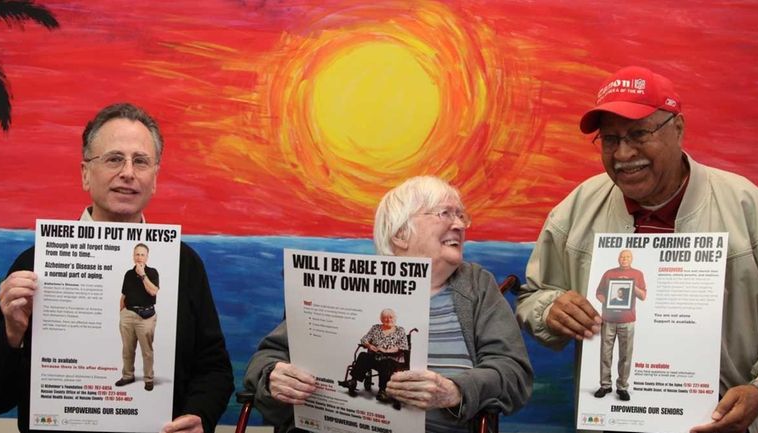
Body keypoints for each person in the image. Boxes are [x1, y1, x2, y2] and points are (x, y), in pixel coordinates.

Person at [515, 66, 758, 433]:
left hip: (722, 425)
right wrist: (551, 310)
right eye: (610, 139)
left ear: (678, 129)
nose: (623, 153)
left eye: (638, 134)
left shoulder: (747, 207)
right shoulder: (578, 208)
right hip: (612, 422)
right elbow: (533, 296)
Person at [0, 103, 234, 433]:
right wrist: (11, 333)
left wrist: (200, 416)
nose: (128, 173)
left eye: (141, 161)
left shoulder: (184, 264)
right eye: (114, 159)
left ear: (154, 179)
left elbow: (215, 368)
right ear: (85, 173)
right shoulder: (33, 265)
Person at [244, 176, 532, 433]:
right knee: (363, 362)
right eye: (445, 213)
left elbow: (513, 372)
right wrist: (273, 377)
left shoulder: (476, 285)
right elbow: (266, 359)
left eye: (460, 216)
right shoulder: (348, 280)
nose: (458, 224)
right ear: (400, 234)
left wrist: (456, 390)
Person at [593, 249, 646, 401]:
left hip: (628, 321)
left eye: (627, 257)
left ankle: (622, 387)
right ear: (618, 258)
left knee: (625, 355)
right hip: (608, 319)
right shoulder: (609, 273)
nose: (624, 259)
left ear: (632, 259)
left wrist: (631, 285)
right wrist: (608, 301)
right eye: (622, 256)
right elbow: (598, 293)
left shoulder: (638, 274)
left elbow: (643, 296)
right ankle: (605, 385)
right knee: (605, 353)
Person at [338, 308, 408, 402]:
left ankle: (382, 391)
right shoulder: (375, 328)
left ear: (395, 318)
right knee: (363, 355)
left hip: (391, 359)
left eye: (391, 317)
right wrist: (369, 345)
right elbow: (364, 339)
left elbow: (403, 346)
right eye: (385, 318)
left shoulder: (400, 330)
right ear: (381, 319)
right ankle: (353, 381)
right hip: (375, 357)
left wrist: (386, 351)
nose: (388, 319)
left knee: (386, 362)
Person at [117, 243, 160, 391]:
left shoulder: (152, 272)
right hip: (128, 315)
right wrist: (122, 313)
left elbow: (153, 291)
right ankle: (128, 375)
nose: (139, 257)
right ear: (133, 256)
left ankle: (148, 379)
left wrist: (143, 275)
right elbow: (123, 295)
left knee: (147, 350)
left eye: (142, 254)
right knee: (127, 349)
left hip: (146, 317)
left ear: (147, 257)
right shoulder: (128, 274)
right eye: (137, 254)